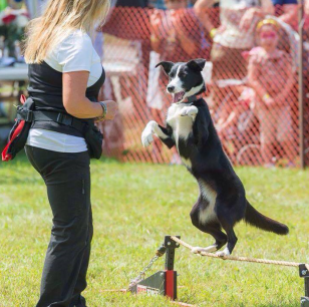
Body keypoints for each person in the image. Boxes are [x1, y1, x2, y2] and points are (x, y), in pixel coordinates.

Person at [23, 0, 118, 306]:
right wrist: (105, 110)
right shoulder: (76, 40)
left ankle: (71, 298)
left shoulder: (46, 32)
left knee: (78, 227)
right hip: (62, 145)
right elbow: (74, 104)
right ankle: (56, 303)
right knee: (70, 231)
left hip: (41, 139)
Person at [194, 0, 274, 108]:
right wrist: (212, 31)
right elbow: (199, 7)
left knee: (246, 92)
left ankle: (236, 123)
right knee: (221, 91)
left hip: (248, 48)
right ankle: (218, 122)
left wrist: (254, 11)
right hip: (225, 48)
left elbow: (270, 12)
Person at [248, 19, 296, 167]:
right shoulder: (256, 58)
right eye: (264, 35)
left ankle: (293, 161)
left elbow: (291, 79)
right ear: (259, 37)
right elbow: (252, 79)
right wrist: (266, 97)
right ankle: (268, 162)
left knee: (285, 134)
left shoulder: (283, 56)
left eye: (271, 35)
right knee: (267, 135)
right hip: (265, 102)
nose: (268, 39)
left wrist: (282, 96)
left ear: (277, 37)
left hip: (282, 100)